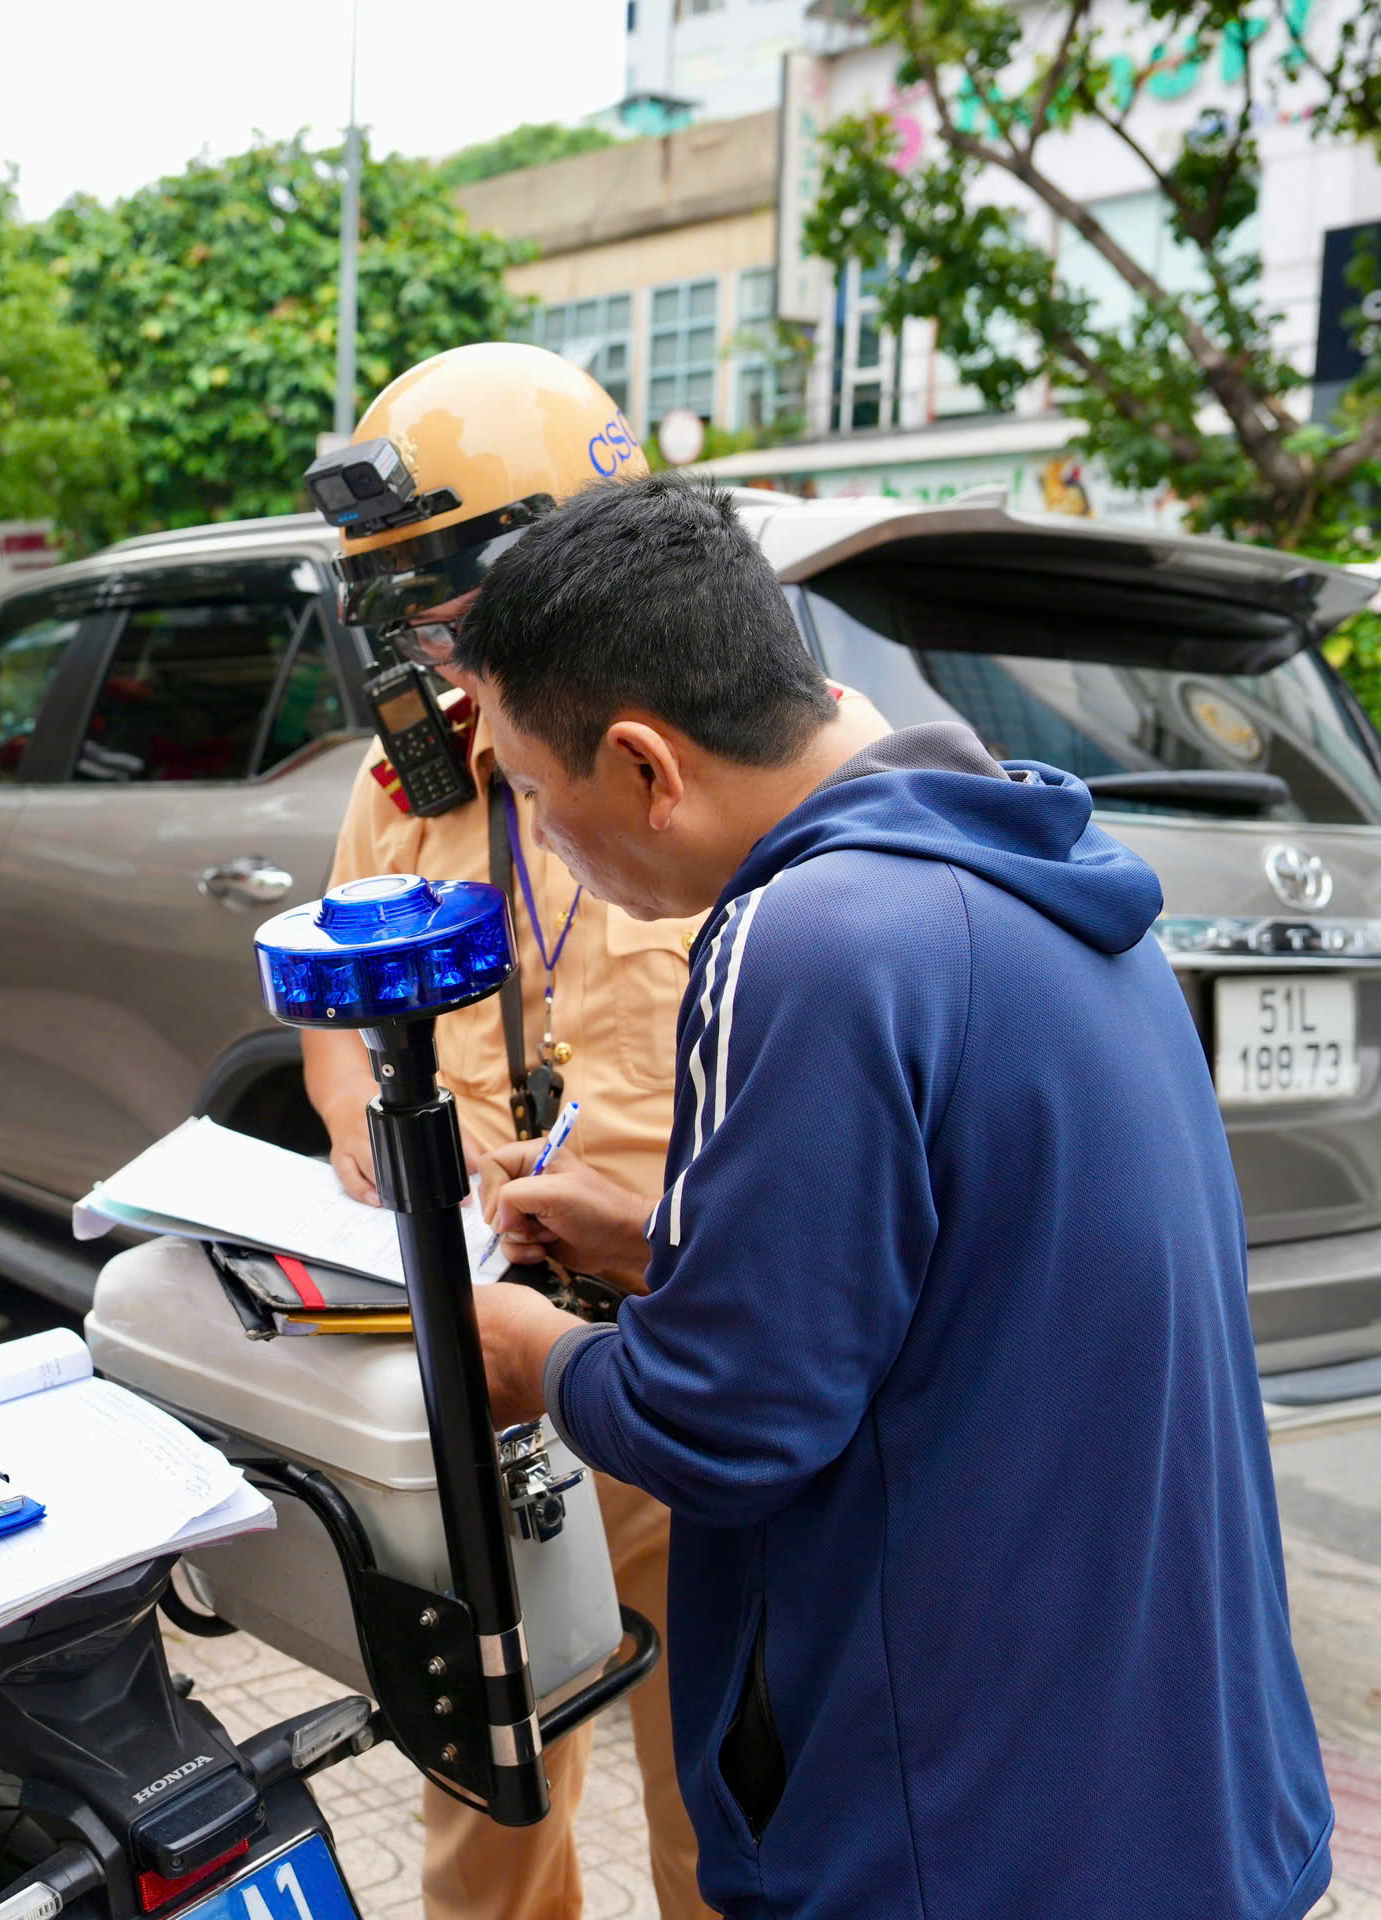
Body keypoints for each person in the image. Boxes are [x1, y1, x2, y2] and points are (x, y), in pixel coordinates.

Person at [464, 476, 1333, 1919]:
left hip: (958, 1837)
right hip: (1174, 1793)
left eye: (531, 791)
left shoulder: (800, 938)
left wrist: (526, 1351)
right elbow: (981, 1284)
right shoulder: (1055, 877)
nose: (537, 837)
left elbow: (724, 1423)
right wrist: (669, 1240)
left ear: (643, 765)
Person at [307, 343, 891, 1920]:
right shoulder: (405, 781)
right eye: (409, 613)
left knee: (724, 1799)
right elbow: (337, 1022)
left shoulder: (763, 767)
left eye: (456, 606)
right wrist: (368, 1121)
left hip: (694, 1357)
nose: (438, 656)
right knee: (483, 1796)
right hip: (485, 1356)